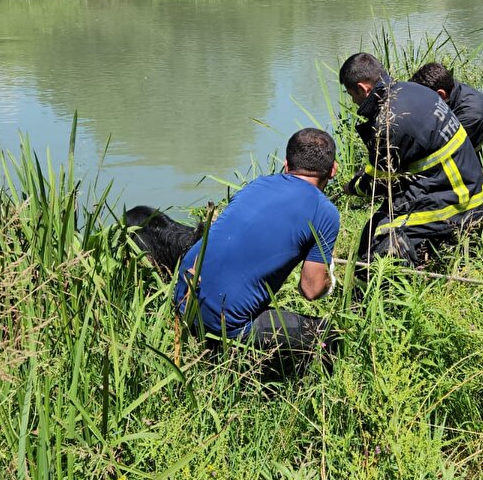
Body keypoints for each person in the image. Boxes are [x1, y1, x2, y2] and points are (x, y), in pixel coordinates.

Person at [130, 128, 341, 369]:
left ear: (286, 165)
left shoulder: (258, 185)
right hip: (224, 323)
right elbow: (311, 290)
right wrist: (328, 276)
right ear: (333, 170)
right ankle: (277, 380)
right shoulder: (324, 212)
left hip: (181, 298)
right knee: (329, 335)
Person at [339, 53, 483, 266]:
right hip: (471, 186)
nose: (353, 102)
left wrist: (351, 187)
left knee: (380, 234)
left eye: (351, 94)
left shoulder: (388, 124)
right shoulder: (414, 90)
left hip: (461, 201)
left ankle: (383, 286)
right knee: (386, 215)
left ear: (363, 89)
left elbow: (377, 185)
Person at [411, 62, 483, 206]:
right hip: (475, 157)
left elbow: (439, 153)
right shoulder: (453, 91)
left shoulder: (471, 114)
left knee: (460, 203)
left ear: (440, 94)